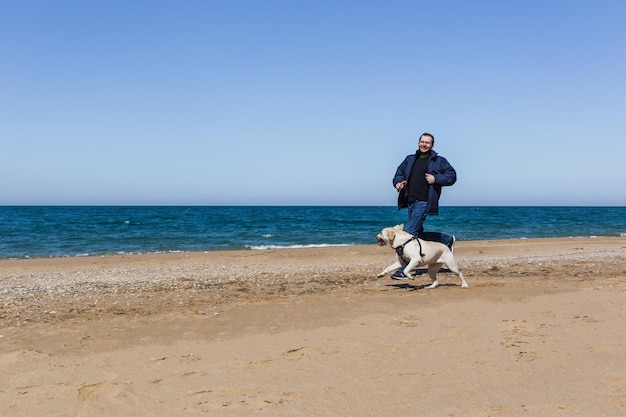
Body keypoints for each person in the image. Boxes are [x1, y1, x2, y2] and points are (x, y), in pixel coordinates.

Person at [392, 132, 456, 278]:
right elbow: (399, 174)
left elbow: (452, 176)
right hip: (410, 200)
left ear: (432, 145)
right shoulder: (409, 159)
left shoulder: (438, 161)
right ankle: (446, 239)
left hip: (425, 201)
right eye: (422, 142)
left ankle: (403, 270)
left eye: (427, 142)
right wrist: (398, 183)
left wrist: (436, 178)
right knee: (418, 234)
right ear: (418, 143)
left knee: (410, 234)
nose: (424, 144)